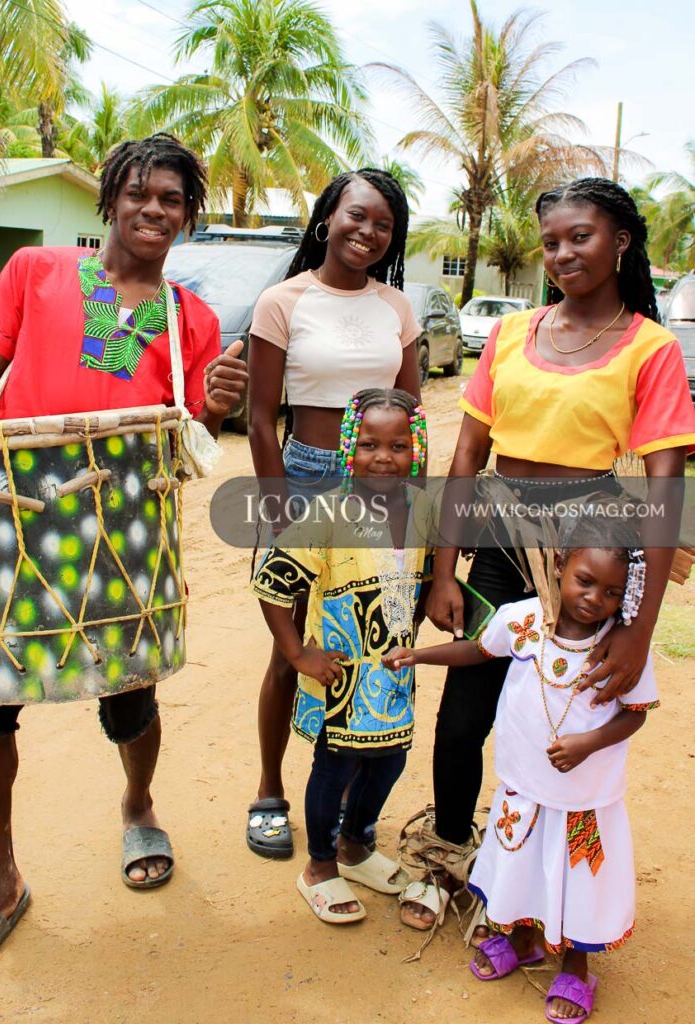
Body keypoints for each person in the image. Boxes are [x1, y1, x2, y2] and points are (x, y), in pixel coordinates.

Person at [0, 134, 248, 979]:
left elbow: (190, 429)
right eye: (139, 192)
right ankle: (0, 881)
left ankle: (137, 803)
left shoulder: (188, 318)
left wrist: (220, 404)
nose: (154, 208)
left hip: (121, 535)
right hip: (6, 520)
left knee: (130, 699)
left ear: (188, 216)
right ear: (111, 201)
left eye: (171, 199)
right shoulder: (39, 272)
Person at [400, 177, 695, 941]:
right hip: (498, 546)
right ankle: (449, 859)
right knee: (463, 715)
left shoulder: (650, 348)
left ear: (620, 241)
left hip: (590, 560)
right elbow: (467, 452)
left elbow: (664, 489)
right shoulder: (509, 335)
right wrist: (441, 573)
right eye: (552, 241)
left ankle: (563, 894)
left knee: (572, 717)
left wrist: (635, 627)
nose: (562, 254)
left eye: (580, 237)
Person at [384, 519, 659, 1023]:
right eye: (585, 581)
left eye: (613, 592)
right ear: (559, 565)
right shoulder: (525, 619)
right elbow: (477, 650)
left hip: (583, 799)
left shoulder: (620, 647)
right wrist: (418, 655)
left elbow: (635, 712)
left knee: (580, 880)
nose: (595, 599)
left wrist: (589, 743)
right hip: (524, 786)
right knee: (522, 861)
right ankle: (525, 938)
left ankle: (576, 967)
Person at [246, 169, 422, 858]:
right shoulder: (282, 301)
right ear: (326, 218)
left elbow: (410, 423)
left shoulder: (397, 309)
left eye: (383, 224)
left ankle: (347, 801)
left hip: (378, 492)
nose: (368, 232)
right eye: (357, 215)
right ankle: (269, 793)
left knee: (364, 643)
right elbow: (260, 420)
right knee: (287, 647)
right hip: (302, 477)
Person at [251, 388, 433, 922]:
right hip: (340, 680)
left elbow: (429, 575)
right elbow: (273, 585)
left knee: (390, 761)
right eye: (370, 444)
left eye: (398, 445)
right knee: (335, 768)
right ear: (349, 447)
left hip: (394, 677)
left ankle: (357, 845)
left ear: (416, 449)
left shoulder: (424, 509)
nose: (384, 457)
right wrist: (298, 653)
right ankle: (320, 865)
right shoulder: (327, 513)